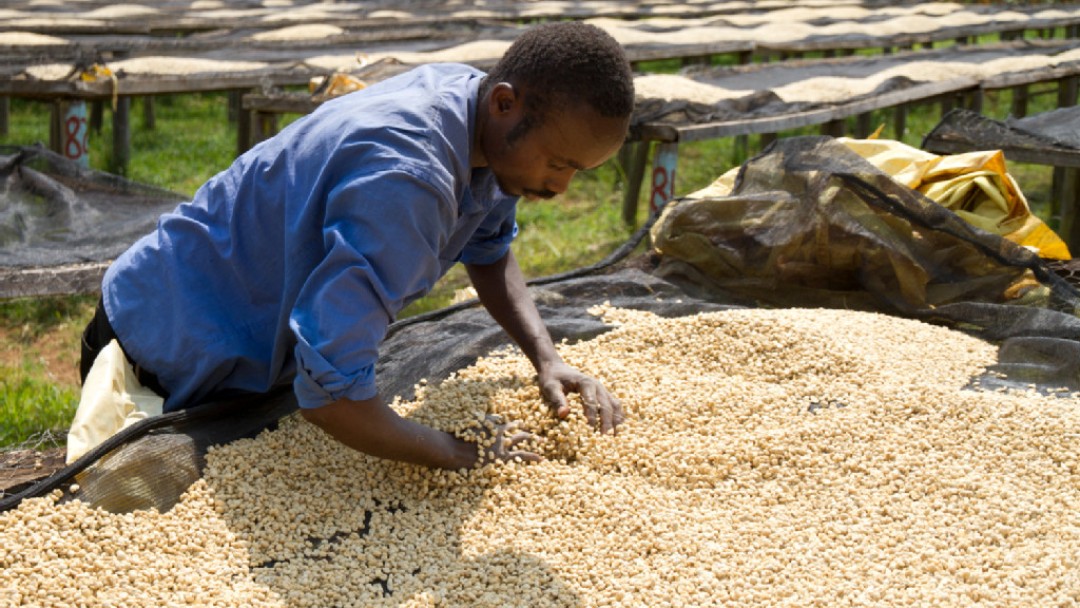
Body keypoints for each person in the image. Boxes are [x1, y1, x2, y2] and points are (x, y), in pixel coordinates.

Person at [77, 22, 634, 470]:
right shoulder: (408, 180)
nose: (561, 187)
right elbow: (333, 400)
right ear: (506, 104)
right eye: (558, 163)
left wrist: (547, 358)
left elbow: (488, 248)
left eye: (577, 170)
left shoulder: (478, 112)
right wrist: (462, 452)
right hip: (156, 353)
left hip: (235, 336)